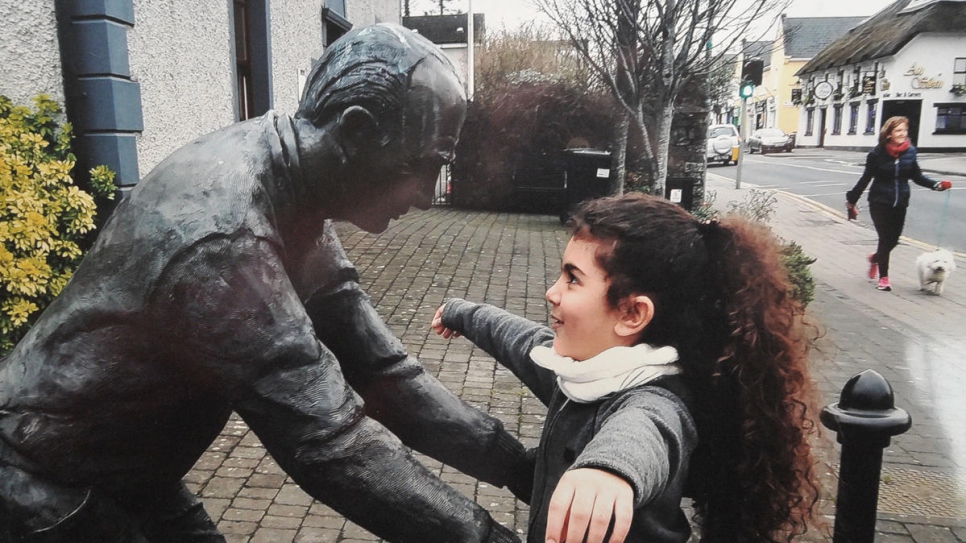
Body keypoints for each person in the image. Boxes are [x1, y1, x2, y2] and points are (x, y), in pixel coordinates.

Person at [0, 24, 528, 543]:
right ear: (357, 132)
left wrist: (523, 467)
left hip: (131, 474)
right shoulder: (222, 239)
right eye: (426, 165)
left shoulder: (292, 190)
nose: (427, 197)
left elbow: (382, 372)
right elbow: (331, 443)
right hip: (42, 484)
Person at [431, 193, 822, 543]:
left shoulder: (656, 400)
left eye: (572, 279)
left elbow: (645, 433)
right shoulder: (591, 369)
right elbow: (524, 343)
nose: (552, 292)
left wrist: (609, 469)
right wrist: (464, 313)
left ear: (632, 313)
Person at [846, 116, 952, 291]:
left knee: (894, 240)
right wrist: (851, 201)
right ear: (889, 134)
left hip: (900, 202)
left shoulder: (910, 152)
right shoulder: (876, 154)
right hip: (879, 200)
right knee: (885, 237)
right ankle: (884, 278)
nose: (903, 134)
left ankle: (875, 258)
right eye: (898, 131)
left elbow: (917, 176)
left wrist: (937, 185)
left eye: (904, 130)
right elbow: (865, 179)